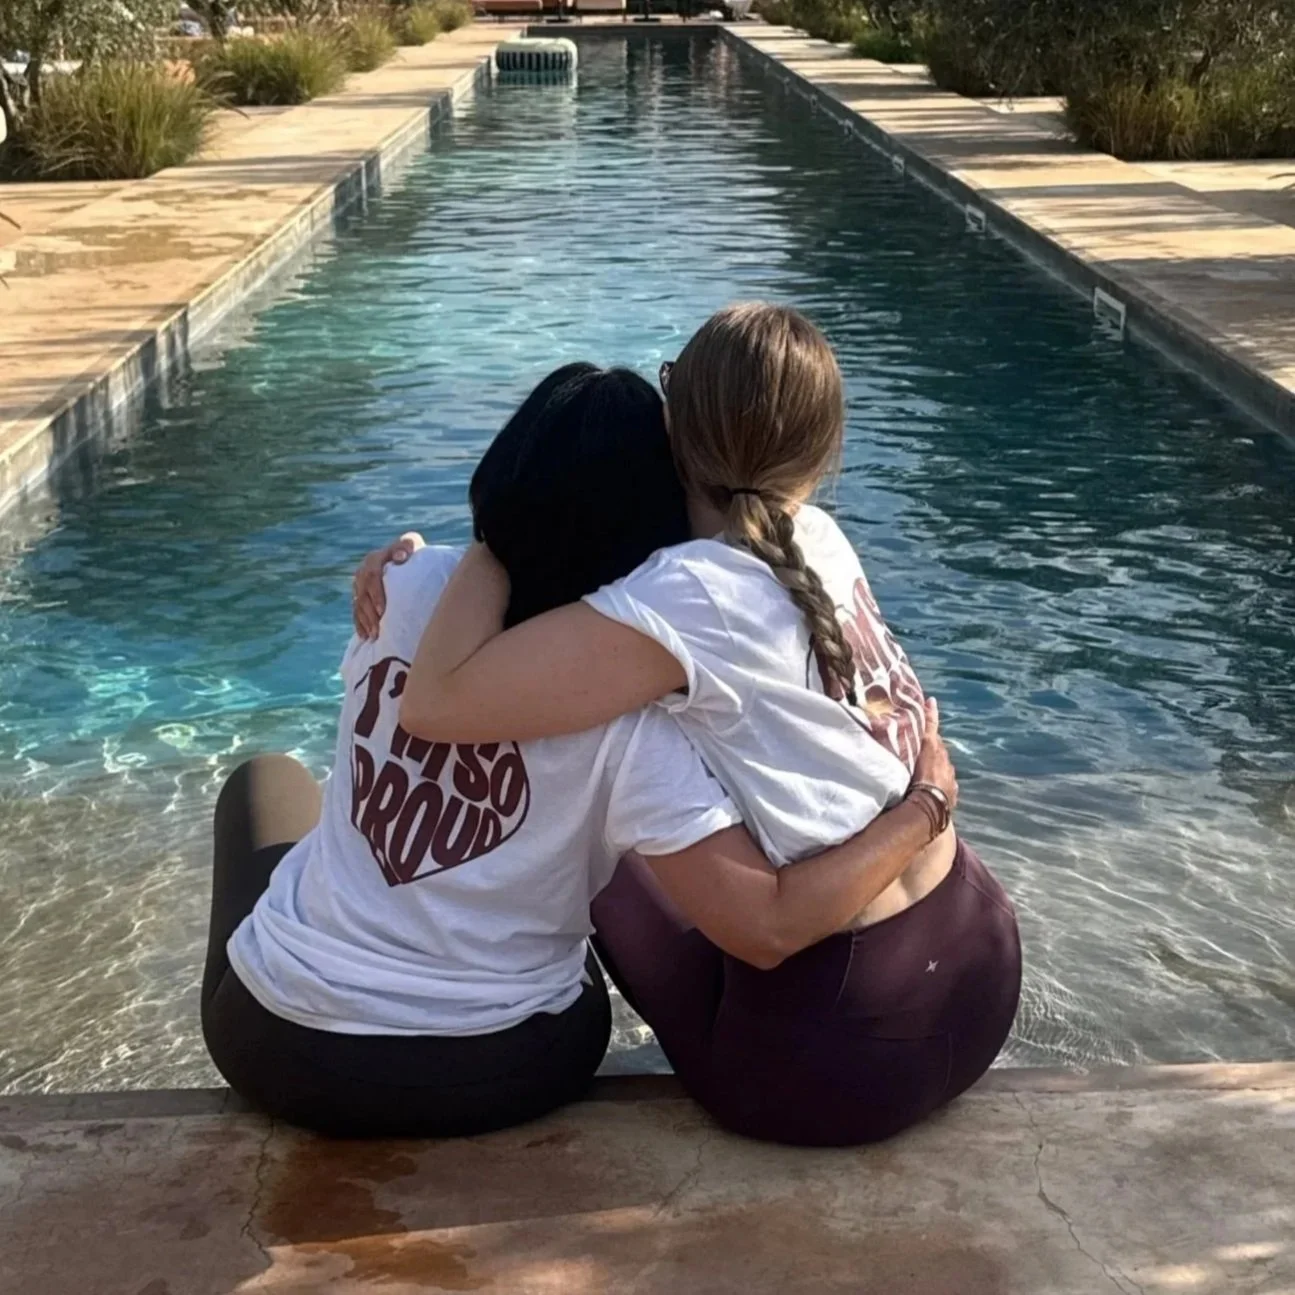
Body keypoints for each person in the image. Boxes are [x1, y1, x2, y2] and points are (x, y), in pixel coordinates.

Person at [203, 361, 958, 1140]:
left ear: (504, 472)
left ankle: (325, 946)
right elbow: (757, 915)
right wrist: (922, 806)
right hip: (501, 1067)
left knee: (266, 781)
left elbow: (461, 606)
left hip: (271, 1044)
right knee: (615, 859)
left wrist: (467, 539)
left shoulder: (402, 585)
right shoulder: (645, 715)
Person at [360, 303, 1022, 1147]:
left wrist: (476, 544)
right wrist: (927, 804)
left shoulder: (679, 597)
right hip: (977, 964)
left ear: (672, 422)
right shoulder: (815, 538)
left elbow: (437, 702)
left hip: (837, 1058)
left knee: (597, 832)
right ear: (820, 452)